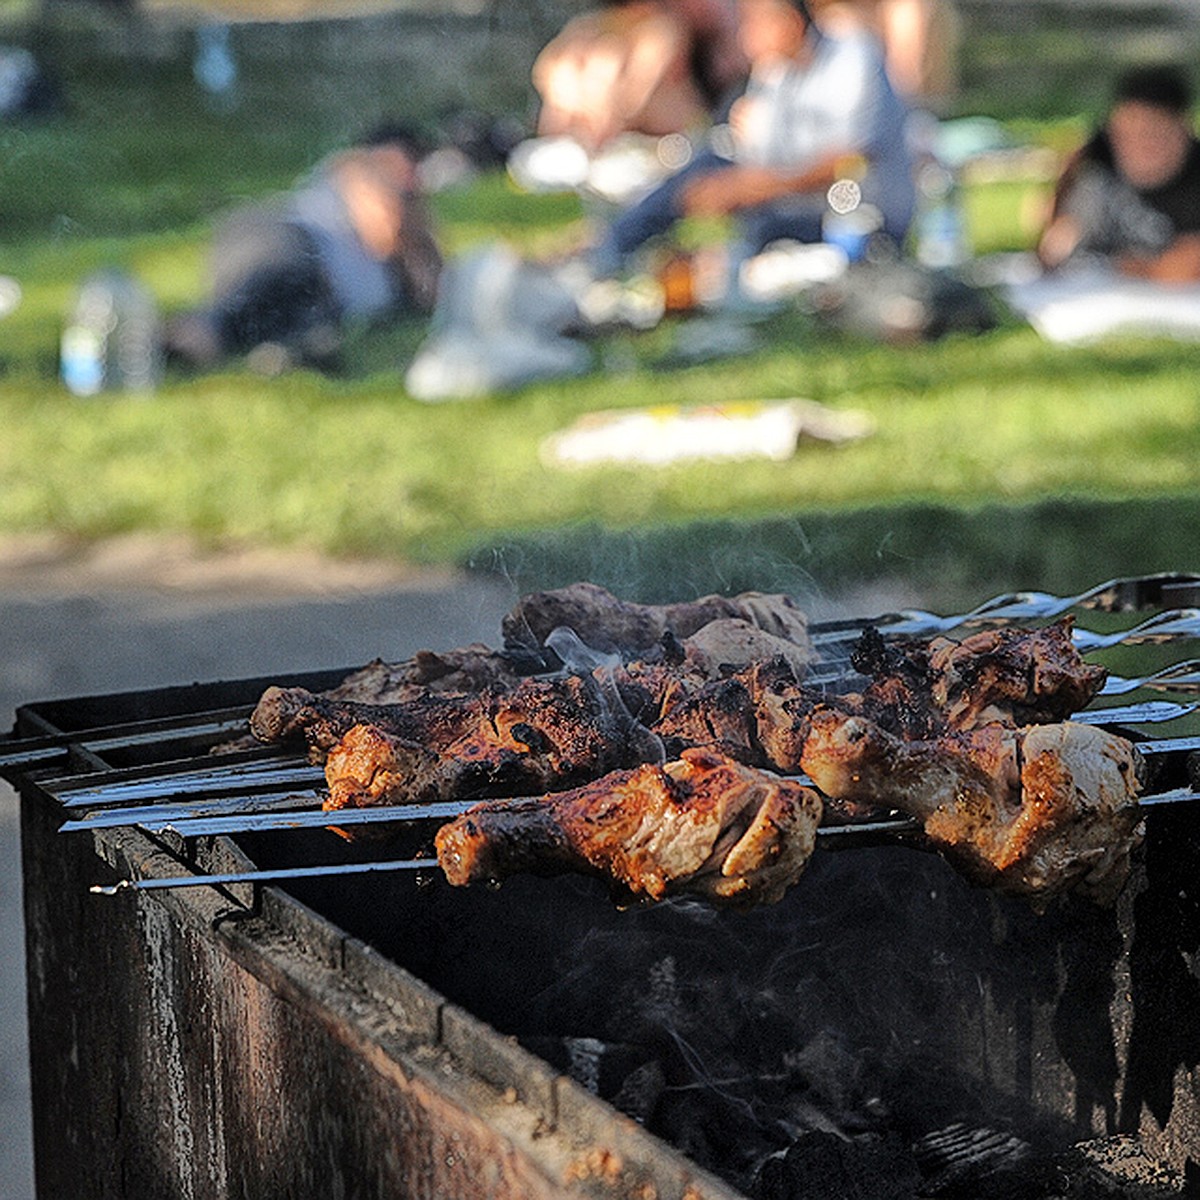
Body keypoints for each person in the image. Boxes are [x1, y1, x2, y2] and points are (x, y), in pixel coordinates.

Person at [585, 0, 916, 288]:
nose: (746, 35)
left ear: (788, 20)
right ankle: (612, 249)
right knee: (702, 168)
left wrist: (747, 188)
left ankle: (610, 256)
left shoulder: (852, 54)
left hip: (858, 218)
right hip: (796, 204)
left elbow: (847, 162)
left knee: (736, 211)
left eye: (754, 22)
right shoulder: (775, 71)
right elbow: (754, 155)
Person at [165, 123, 442, 373]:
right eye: (411, 160)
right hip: (278, 241)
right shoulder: (358, 170)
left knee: (278, 330)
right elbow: (384, 229)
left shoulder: (412, 238)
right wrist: (415, 227)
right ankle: (172, 342)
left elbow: (430, 293)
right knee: (246, 302)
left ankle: (202, 351)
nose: (413, 177)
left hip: (317, 295)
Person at [1038, 65, 1200, 284]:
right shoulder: (1099, 154)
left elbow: (1183, 268)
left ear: (1181, 128)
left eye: (1152, 134)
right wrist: (1054, 230)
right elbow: (1056, 224)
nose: (1137, 145)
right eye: (1126, 134)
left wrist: (1126, 267)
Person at [531, 0, 744, 152]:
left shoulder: (664, 31)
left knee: (605, 66)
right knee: (579, 69)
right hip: (601, 117)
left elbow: (643, 86)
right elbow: (547, 69)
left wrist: (613, 115)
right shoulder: (595, 27)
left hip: (667, 127)